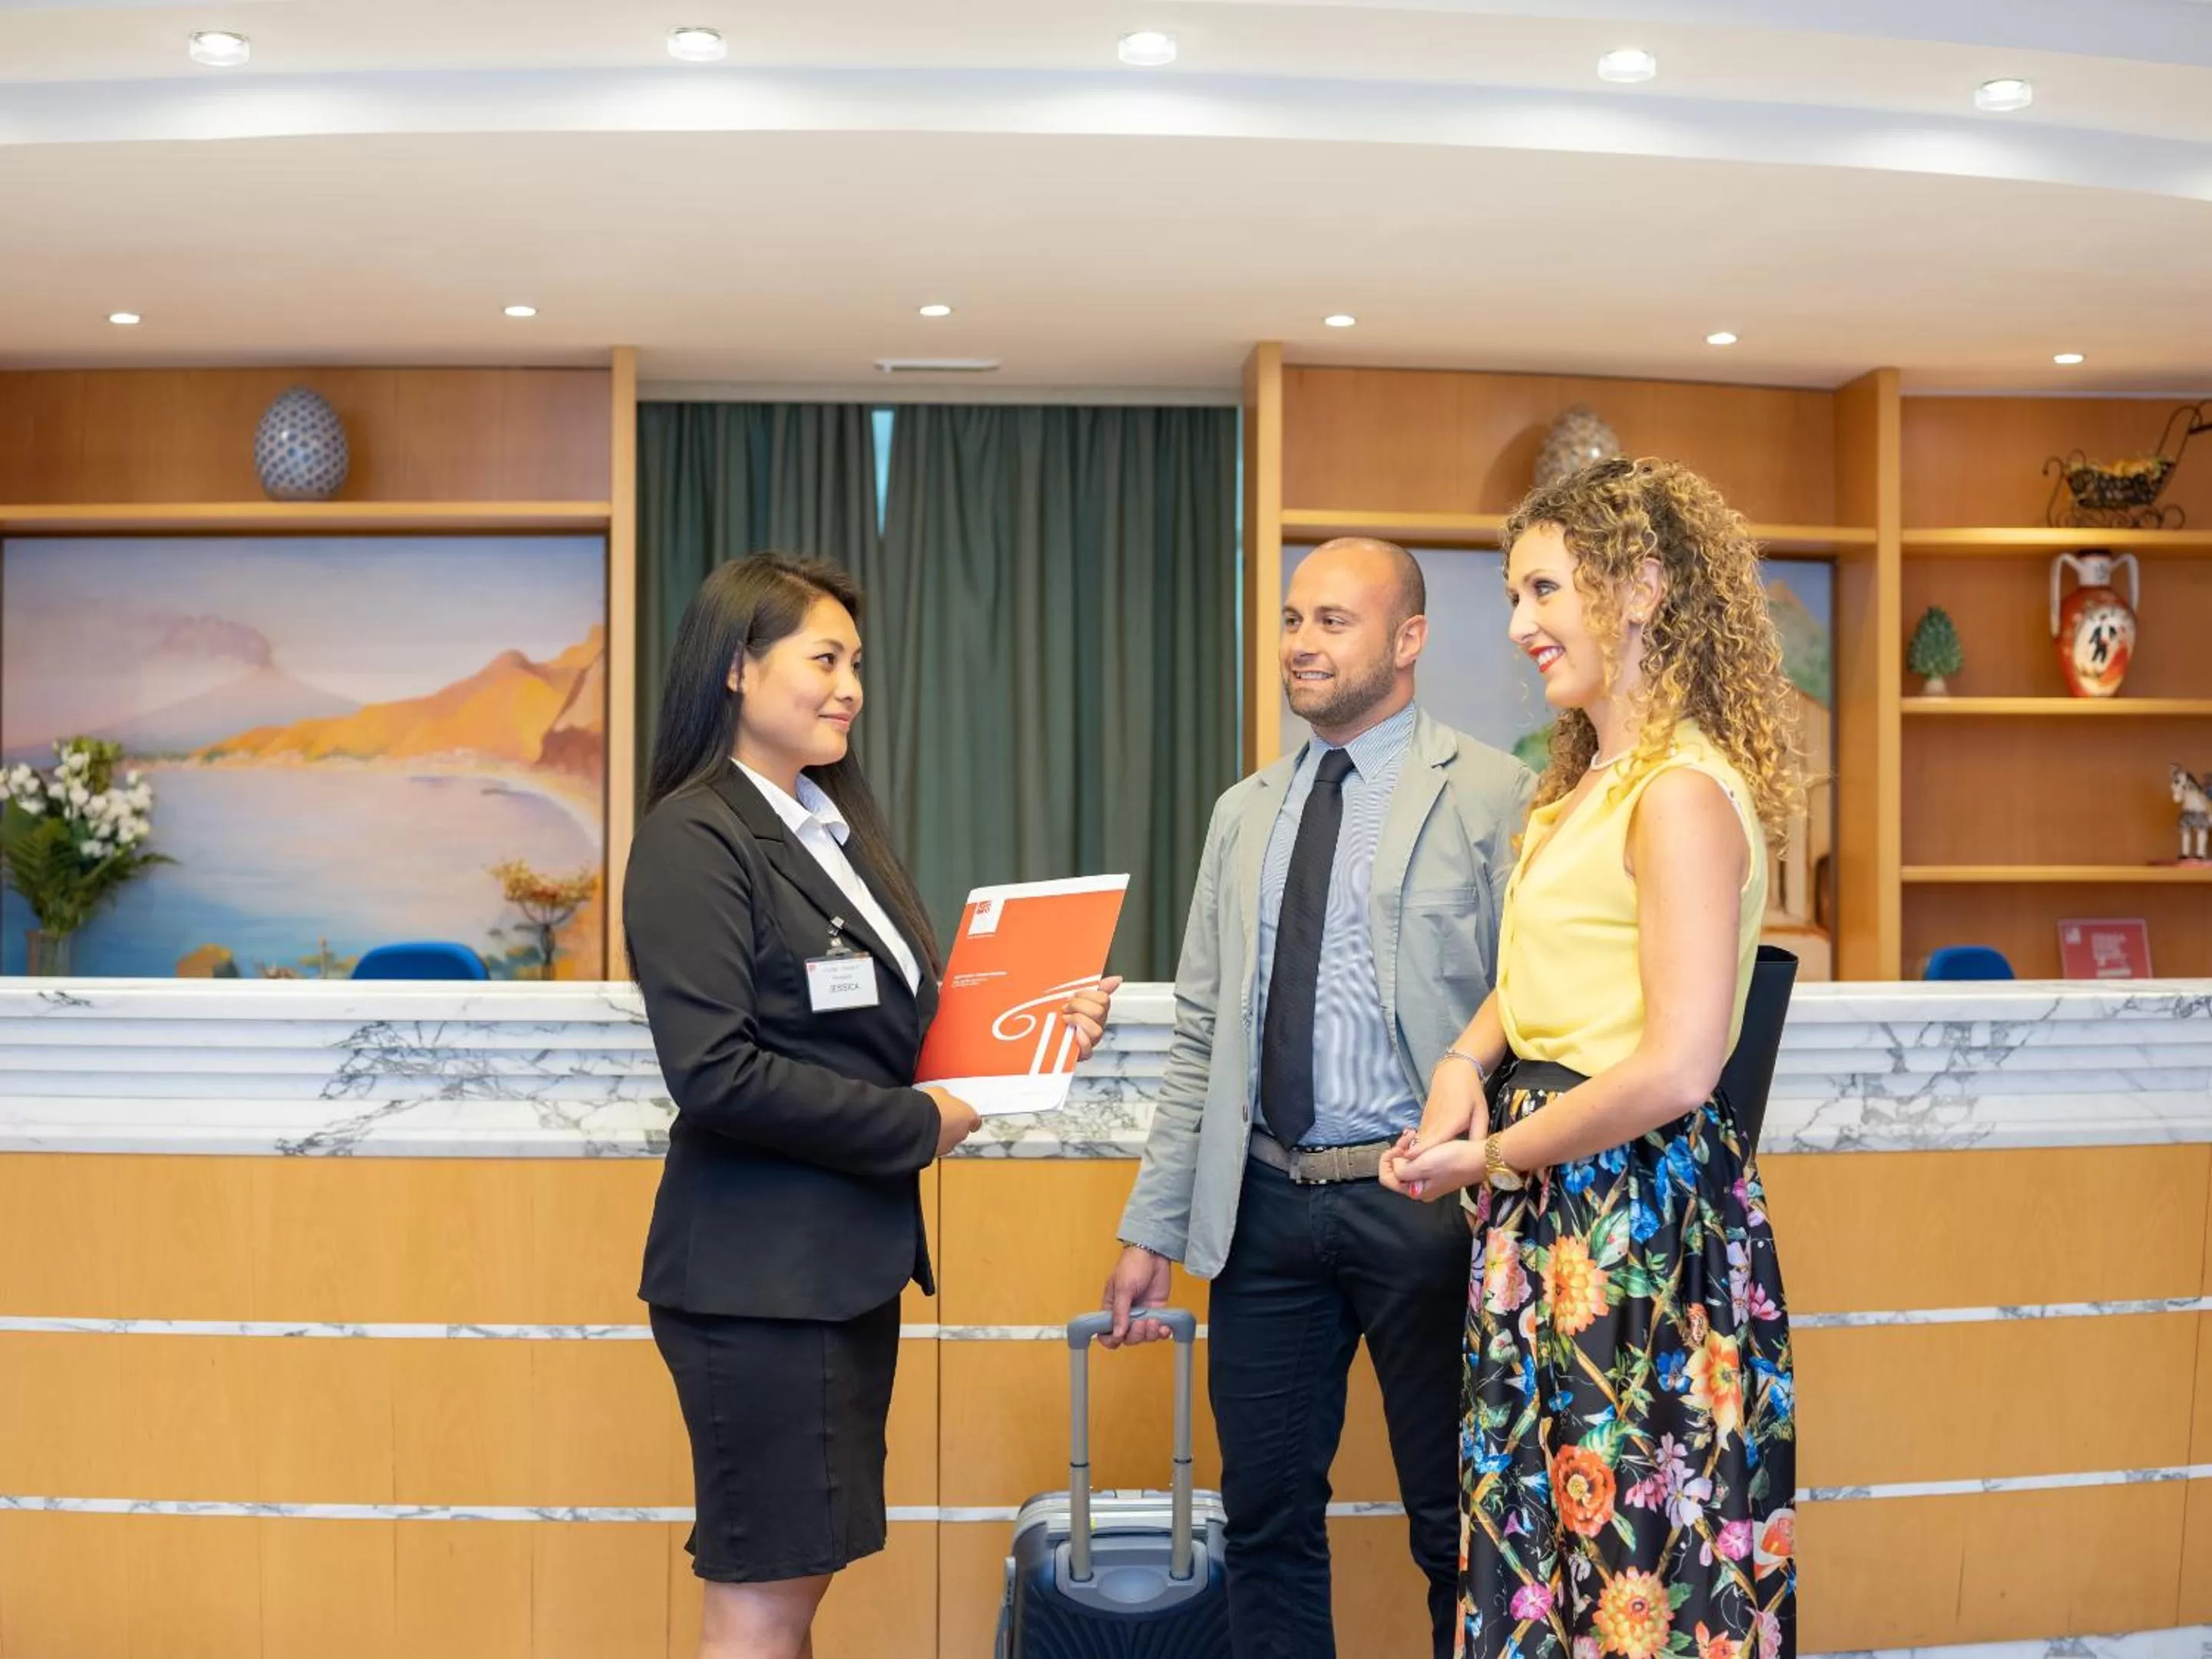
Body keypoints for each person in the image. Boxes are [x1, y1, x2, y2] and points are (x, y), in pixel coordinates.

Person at [625, 554, 1118, 1659]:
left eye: (857, 663)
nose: (850, 685)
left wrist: (1039, 1032)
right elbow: (715, 1070)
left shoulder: (829, 832)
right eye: (825, 658)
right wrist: (920, 1126)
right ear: (737, 669)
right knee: (760, 1595)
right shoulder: (693, 836)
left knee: (795, 1586)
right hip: (757, 1282)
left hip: (832, 1269)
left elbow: (904, 1042)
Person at [1381, 459, 1800, 1659]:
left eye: (1545, 591)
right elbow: (1545, 985)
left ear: (1645, 587)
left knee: (1642, 1568)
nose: (1519, 627)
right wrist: (1468, 1061)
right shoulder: (1587, 787)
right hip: (1557, 1208)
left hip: (1637, 1219)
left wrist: (1493, 1155)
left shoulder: (1678, 794)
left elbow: (1673, 1067)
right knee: (1543, 1553)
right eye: (1515, 596)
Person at [1103, 537, 1534, 1659]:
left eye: (1333, 621)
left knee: (1461, 1525)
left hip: (1426, 1203)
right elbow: (1201, 1033)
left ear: (1409, 640)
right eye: (1293, 620)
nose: (1301, 644)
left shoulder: (1495, 795)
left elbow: (1533, 1009)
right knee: (1266, 1522)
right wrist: (1153, 1225)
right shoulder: (1242, 812)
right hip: (1262, 1204)